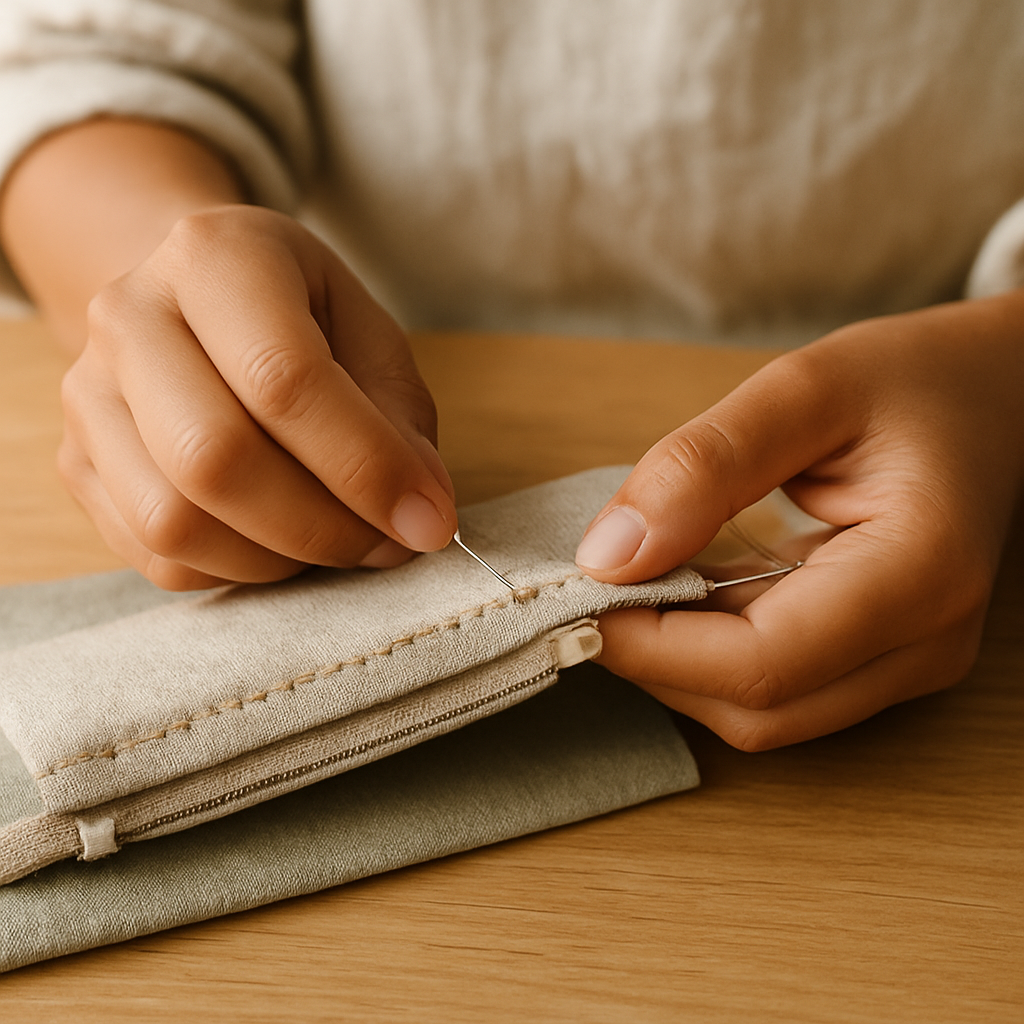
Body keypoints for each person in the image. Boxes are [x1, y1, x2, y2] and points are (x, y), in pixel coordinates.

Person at [0, 1, 1021, 750]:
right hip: (363, 372)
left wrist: (1001, 373)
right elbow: (87, 53)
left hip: (922, 465)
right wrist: (179, 322)